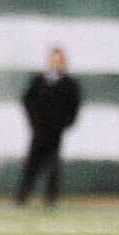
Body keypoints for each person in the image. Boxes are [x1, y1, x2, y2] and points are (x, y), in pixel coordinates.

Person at [19, 47, 81, 206]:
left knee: (53, 167)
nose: (55, 63)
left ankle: (51, 198)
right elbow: (27, 100)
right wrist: (33, 120)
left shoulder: (68, 83)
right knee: (32, 164)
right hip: (39, 130)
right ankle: (22, 196)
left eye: (59, 60)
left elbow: (74, 104)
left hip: (55, 131)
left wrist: (66, 121)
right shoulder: (39, 81)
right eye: (53, 59)